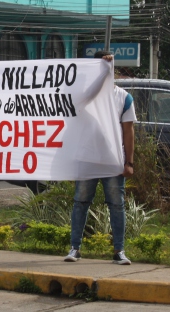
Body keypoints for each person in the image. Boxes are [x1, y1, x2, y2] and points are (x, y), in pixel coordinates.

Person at [64, 50, 136, 265]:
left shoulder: (123, 97)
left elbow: (128, 131)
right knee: (81, 202)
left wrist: (129, 162)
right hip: (87, 159)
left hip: (113, 161)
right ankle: (75, 248)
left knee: (116, 204)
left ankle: (119, 250)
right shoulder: (83, 95)